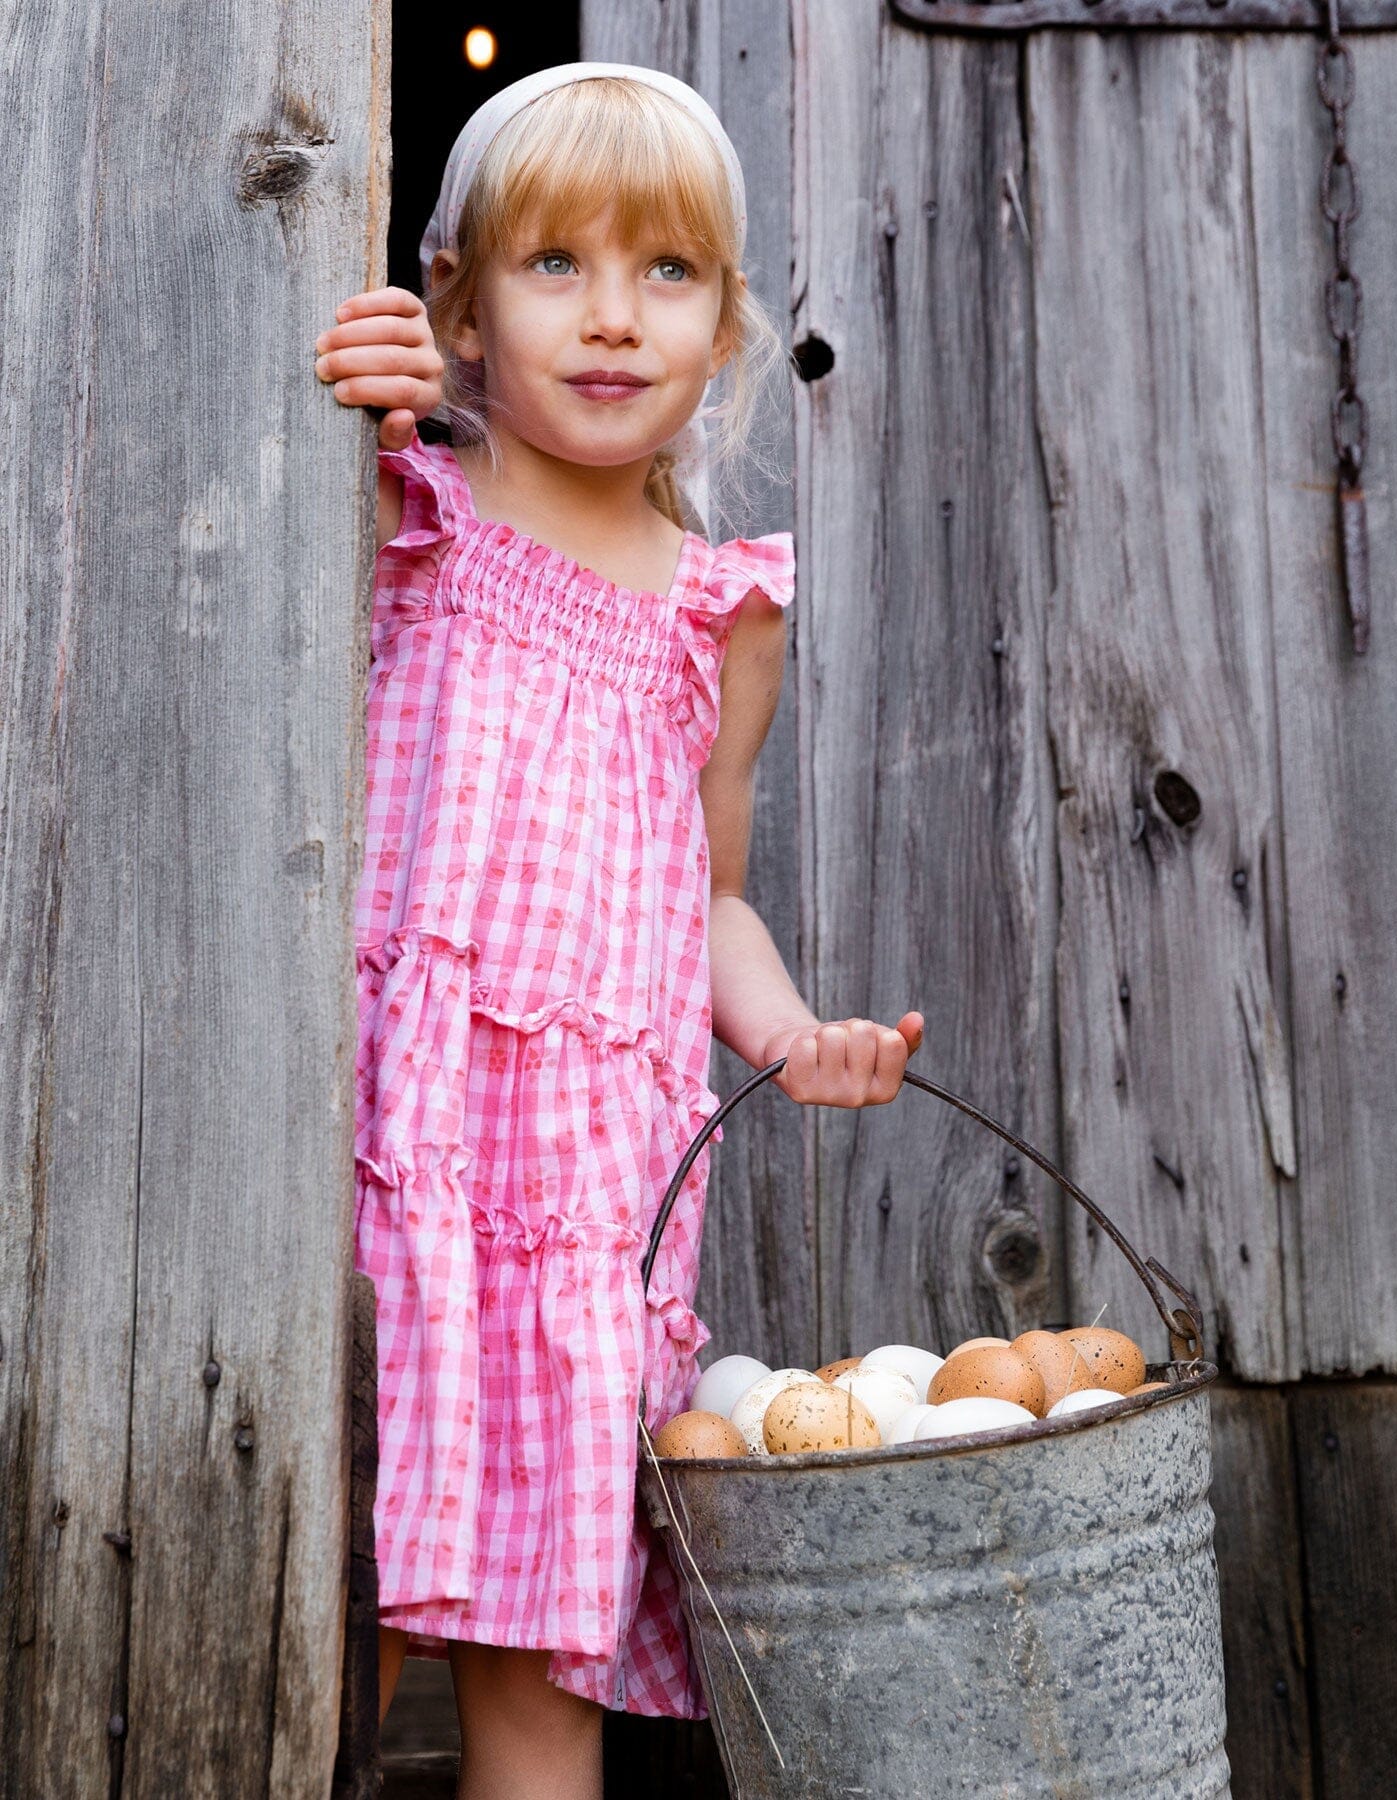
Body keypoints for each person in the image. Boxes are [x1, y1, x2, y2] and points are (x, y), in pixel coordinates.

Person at [315, 62, 924, 1800]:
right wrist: (349, 400)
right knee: (316, 1617)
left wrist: (792, 1033)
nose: (610, 316)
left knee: (536, 1686)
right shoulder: (404, 511)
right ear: (462, 310)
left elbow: (707, 890)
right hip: (382, 1146)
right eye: (554, 265)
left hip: (579, 1204)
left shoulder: (719, 617)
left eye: (664, 271)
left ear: (722, 325)